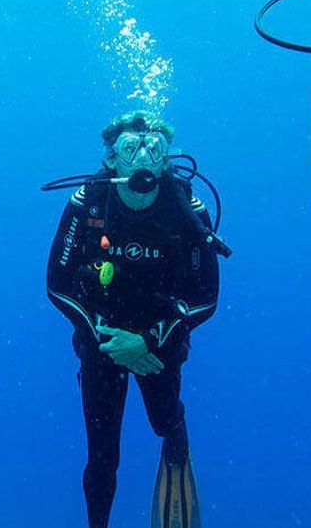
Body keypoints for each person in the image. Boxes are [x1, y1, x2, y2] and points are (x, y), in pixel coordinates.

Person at [46, 111, 220, 528]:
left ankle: (175, 434)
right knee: (102, 455)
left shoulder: (186, 208)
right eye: (130, 148)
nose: (143, 157)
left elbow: (206, 297)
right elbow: (57, 285)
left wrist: (147, 340)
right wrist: (108, 341)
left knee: (162, 419)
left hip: (158, 344)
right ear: (111, 159)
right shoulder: (88, 202)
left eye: (155, 149)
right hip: (101, 341)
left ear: (166, 160)